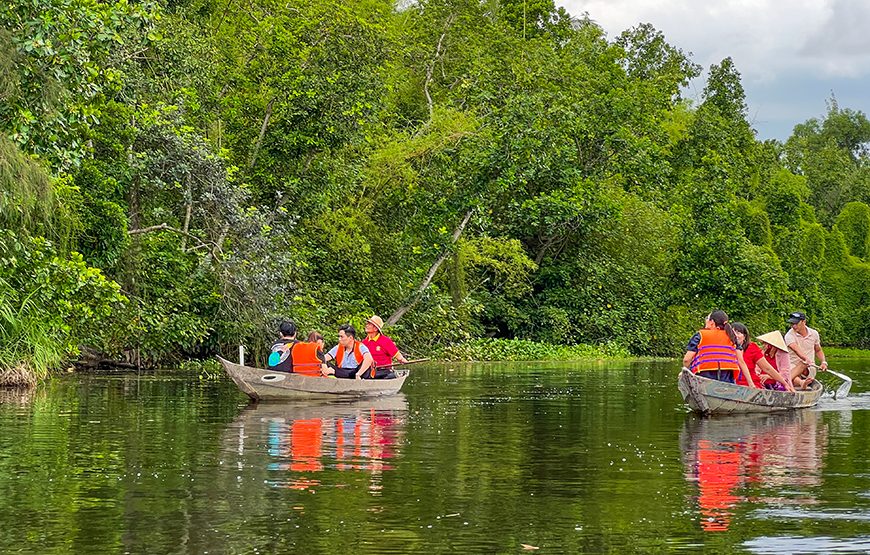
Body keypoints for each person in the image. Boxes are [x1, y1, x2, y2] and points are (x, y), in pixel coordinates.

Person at [683, 310, 755, 386]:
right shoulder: (731, 337)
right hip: (726, 378)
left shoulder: (700, 335)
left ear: (712, 322)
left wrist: (685, 372)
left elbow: (687, 360)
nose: (706, 320)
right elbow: (741, 362)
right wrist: (751, 383)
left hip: (704, 377)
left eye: (707, 318)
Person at [732, 323, 794, 392]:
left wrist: (784, 383)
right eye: (733, 333)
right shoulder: (728, 348)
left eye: (738, 333)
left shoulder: (752, 348)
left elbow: (768, 368)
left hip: (750, 386)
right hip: (733, 385)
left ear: (744, 336)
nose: (735, 335)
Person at [784, 311, 828, 388]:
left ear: (804, 322)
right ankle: (801, 382)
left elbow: (818, 350)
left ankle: (787, 380)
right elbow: (796, 349)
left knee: (804, 367)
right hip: (792, 365)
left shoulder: (814, 333)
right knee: (797, 367)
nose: (793, 326)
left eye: (796, 323)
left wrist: (823, 362)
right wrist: (805, 359)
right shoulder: (789, 335)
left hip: (809, 367)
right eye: (792, 324)